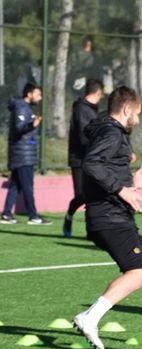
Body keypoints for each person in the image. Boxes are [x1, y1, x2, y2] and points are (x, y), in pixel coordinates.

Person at [72, 86, 142, 349]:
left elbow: (105, 169)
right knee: (138, 274)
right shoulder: (110, 133)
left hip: (115, 216)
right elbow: (92, 165)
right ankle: (89, 317)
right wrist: (122, 189)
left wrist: (132, 182)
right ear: (127, 110)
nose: (138, 120)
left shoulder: (108, 132)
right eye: (137, 114)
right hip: (109, 218)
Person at [1, 83, 51, 225]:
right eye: (38, 94)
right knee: (27, 185)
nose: (40, 98)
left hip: (23, 153)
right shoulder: (21, 107)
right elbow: (19, 128)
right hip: (22, 155)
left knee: (15, 185)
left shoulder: (25, 107)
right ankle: (33, 216)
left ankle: (6, 214)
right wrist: (32, 125)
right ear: (29, 94)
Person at [63, 78, 104, 237]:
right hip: (79, 160)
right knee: (82, 195)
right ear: (98, 93)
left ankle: (91, 231)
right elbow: (84, 137)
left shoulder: (94, 111)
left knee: (92, 196)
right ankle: (69, 215)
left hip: (92, 160)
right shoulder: (81, 109)